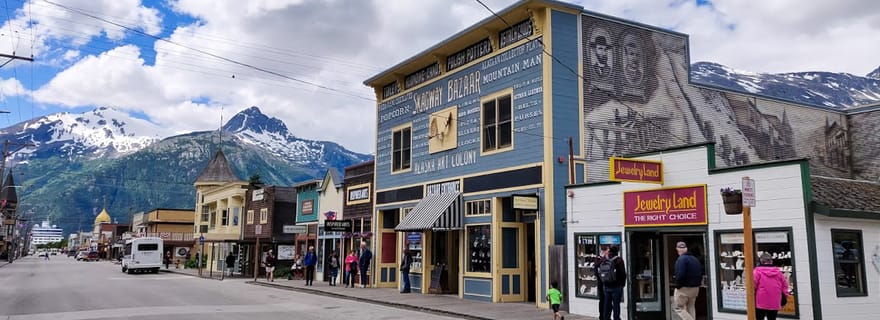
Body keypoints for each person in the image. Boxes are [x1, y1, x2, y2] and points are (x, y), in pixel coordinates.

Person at [754, 253, 789, 320]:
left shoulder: (757, 271)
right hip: (775, 300)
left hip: (761, 300)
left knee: (759, 318)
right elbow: (785, 285)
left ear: (761, 261)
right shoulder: (778, 272)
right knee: (772, 318)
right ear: (771, 261)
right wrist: (785, 296)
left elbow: (753, 285)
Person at [673, 241, 702, 320]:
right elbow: (700, 273)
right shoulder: (695, 259)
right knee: (691, 307)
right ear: (686, 249)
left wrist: (677, 286)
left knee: (679, 308)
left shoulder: (681, 259)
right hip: (695, 289)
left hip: (684, 288)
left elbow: (680, 275)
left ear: (677, 249)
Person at [600, 245, 626, 320]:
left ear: (609, 251)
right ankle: (616, 318)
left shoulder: (605, 259)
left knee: (607, 304)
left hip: (606, 285)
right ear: (617, 251)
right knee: (616, 305)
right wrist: (623, 283)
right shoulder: (619, 260)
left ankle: (606, 318)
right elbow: (623, 273)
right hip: (616, 286)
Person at [594, 246, 610, 320]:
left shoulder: (607, 259)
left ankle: (606, 316)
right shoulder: (599, 259)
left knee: (607, 300)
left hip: (607, 282)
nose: (609, 252)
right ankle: (602, 316)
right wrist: (603, 258)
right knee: (603, 300)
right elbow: (596, 266)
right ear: (604, 251)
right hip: (601, 283)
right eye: (608, 251)